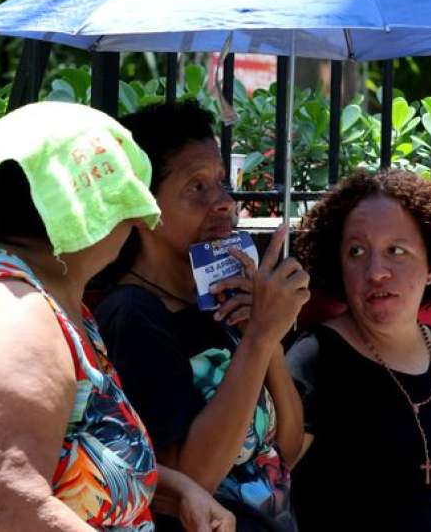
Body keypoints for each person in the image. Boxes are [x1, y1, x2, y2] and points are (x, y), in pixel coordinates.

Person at [0, 102, 234, 532]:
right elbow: (11, 507)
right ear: (87, 209)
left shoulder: (42, 293)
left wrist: (178, 488)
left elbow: (62, 454)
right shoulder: (12, 316)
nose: (134, 218)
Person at [94, 101, 309, 531]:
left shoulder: (223, 302)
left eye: (222, 183)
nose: (223, 203)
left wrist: (266, 340)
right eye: (196, 187)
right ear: (141, 208)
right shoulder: (133, 316)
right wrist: (259, 339)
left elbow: (286, 450)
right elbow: (188, 484)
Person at [286, 169, 431, 532]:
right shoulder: (314, 358)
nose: (375, 271)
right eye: (356, 252)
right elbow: (276, 479)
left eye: (396, 251)